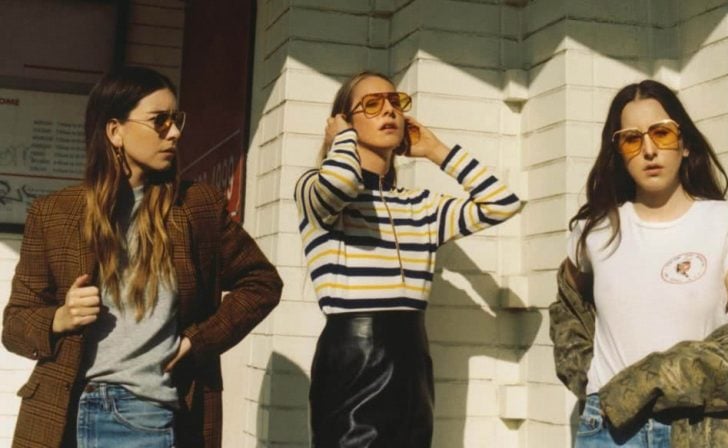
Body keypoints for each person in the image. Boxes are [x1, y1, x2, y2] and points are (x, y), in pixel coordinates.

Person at [2, 66, 283, 448]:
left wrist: (195, 343)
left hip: (143, 411)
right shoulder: (54, 213)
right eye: (160, 121)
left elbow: (262, 283)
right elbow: (15, 324)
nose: (175, 132)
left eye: (176, 119)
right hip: (59, 416)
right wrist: (59, 317)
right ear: (115, 131)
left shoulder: (196, 207)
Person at [294, 70, 522, 447]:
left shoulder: (420, 205)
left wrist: (437, 151)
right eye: (371, 104)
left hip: (412, 360)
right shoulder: (316, 191)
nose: (389, 110)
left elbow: (502, 204)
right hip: (354, 359)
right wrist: (341, 141)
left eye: (395, 101)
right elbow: (339, 184)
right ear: (344, 123)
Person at [549, 79, 728, 447]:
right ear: (618, 151)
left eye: (662, 133)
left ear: (684, 145)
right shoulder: (596, 232)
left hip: (703, 431)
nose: (649, 150)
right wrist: (590, 382)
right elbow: (568, 309)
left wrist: (644, 381)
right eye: (632, 139)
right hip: (610, 432)